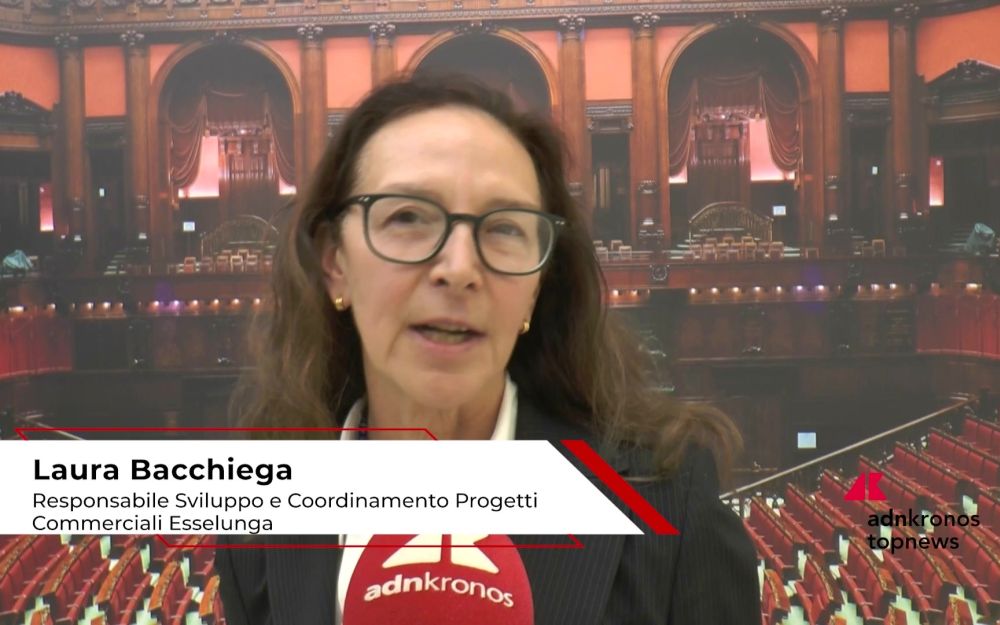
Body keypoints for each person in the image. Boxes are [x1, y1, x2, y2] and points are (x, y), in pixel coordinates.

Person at [216, 73, 760, 624]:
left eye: (504, 228)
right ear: (335, 262)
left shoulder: (671, 501)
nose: (459, 269)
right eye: (408, 217)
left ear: (536, 286)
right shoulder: (261, 525)